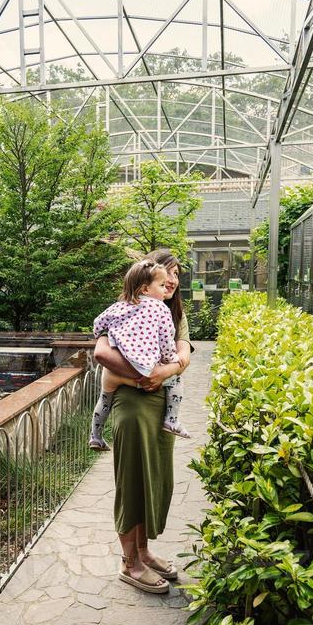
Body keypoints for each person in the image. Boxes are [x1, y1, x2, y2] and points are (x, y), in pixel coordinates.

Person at [95, 249, 192, 594]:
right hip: (133, 405)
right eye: (167, 272)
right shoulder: (126, 309)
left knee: (154, 479)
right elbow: (102, 354)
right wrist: (140, 378)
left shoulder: (173, 312)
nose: (172, 279)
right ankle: (129, 564)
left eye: (176, 273)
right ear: (145, 280)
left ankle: (144, 552)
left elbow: (183, 355)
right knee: (133, 482)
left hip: (160, 404)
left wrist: (162, 372)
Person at [88, 259, 191, 451]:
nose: (169, 283)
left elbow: (98, 323)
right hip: (147, 367)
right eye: (162, 283)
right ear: (145, 288)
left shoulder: (121, 306)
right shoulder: (160, 308)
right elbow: (167, 342)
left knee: (104, 400)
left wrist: (102, 333)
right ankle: (171, 420)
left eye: (176, 274)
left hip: (115, 373)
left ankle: (95, 435)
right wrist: (171, 360)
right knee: (176, 381)